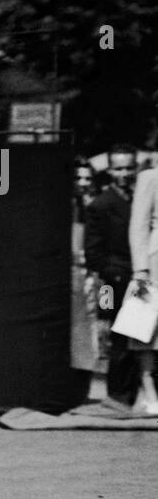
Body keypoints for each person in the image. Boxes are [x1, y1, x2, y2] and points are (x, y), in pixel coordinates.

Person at [84, 146, 140, 409]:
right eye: (119, 168)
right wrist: (116, 277)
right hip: (116, 282)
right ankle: (118, 395)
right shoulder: (101, 204)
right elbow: (93, 253)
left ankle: (139, 392)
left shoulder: (142, 197)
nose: (125, 173)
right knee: (120, 338)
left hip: (142, 277)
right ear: (109, 171)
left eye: (129, 167)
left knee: (144, 340)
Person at [128, 161, 158, 413]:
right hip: (153, 262)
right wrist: (140, 268)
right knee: (143, 327)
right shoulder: (150, 177)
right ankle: (148, 390)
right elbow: (138, 225)